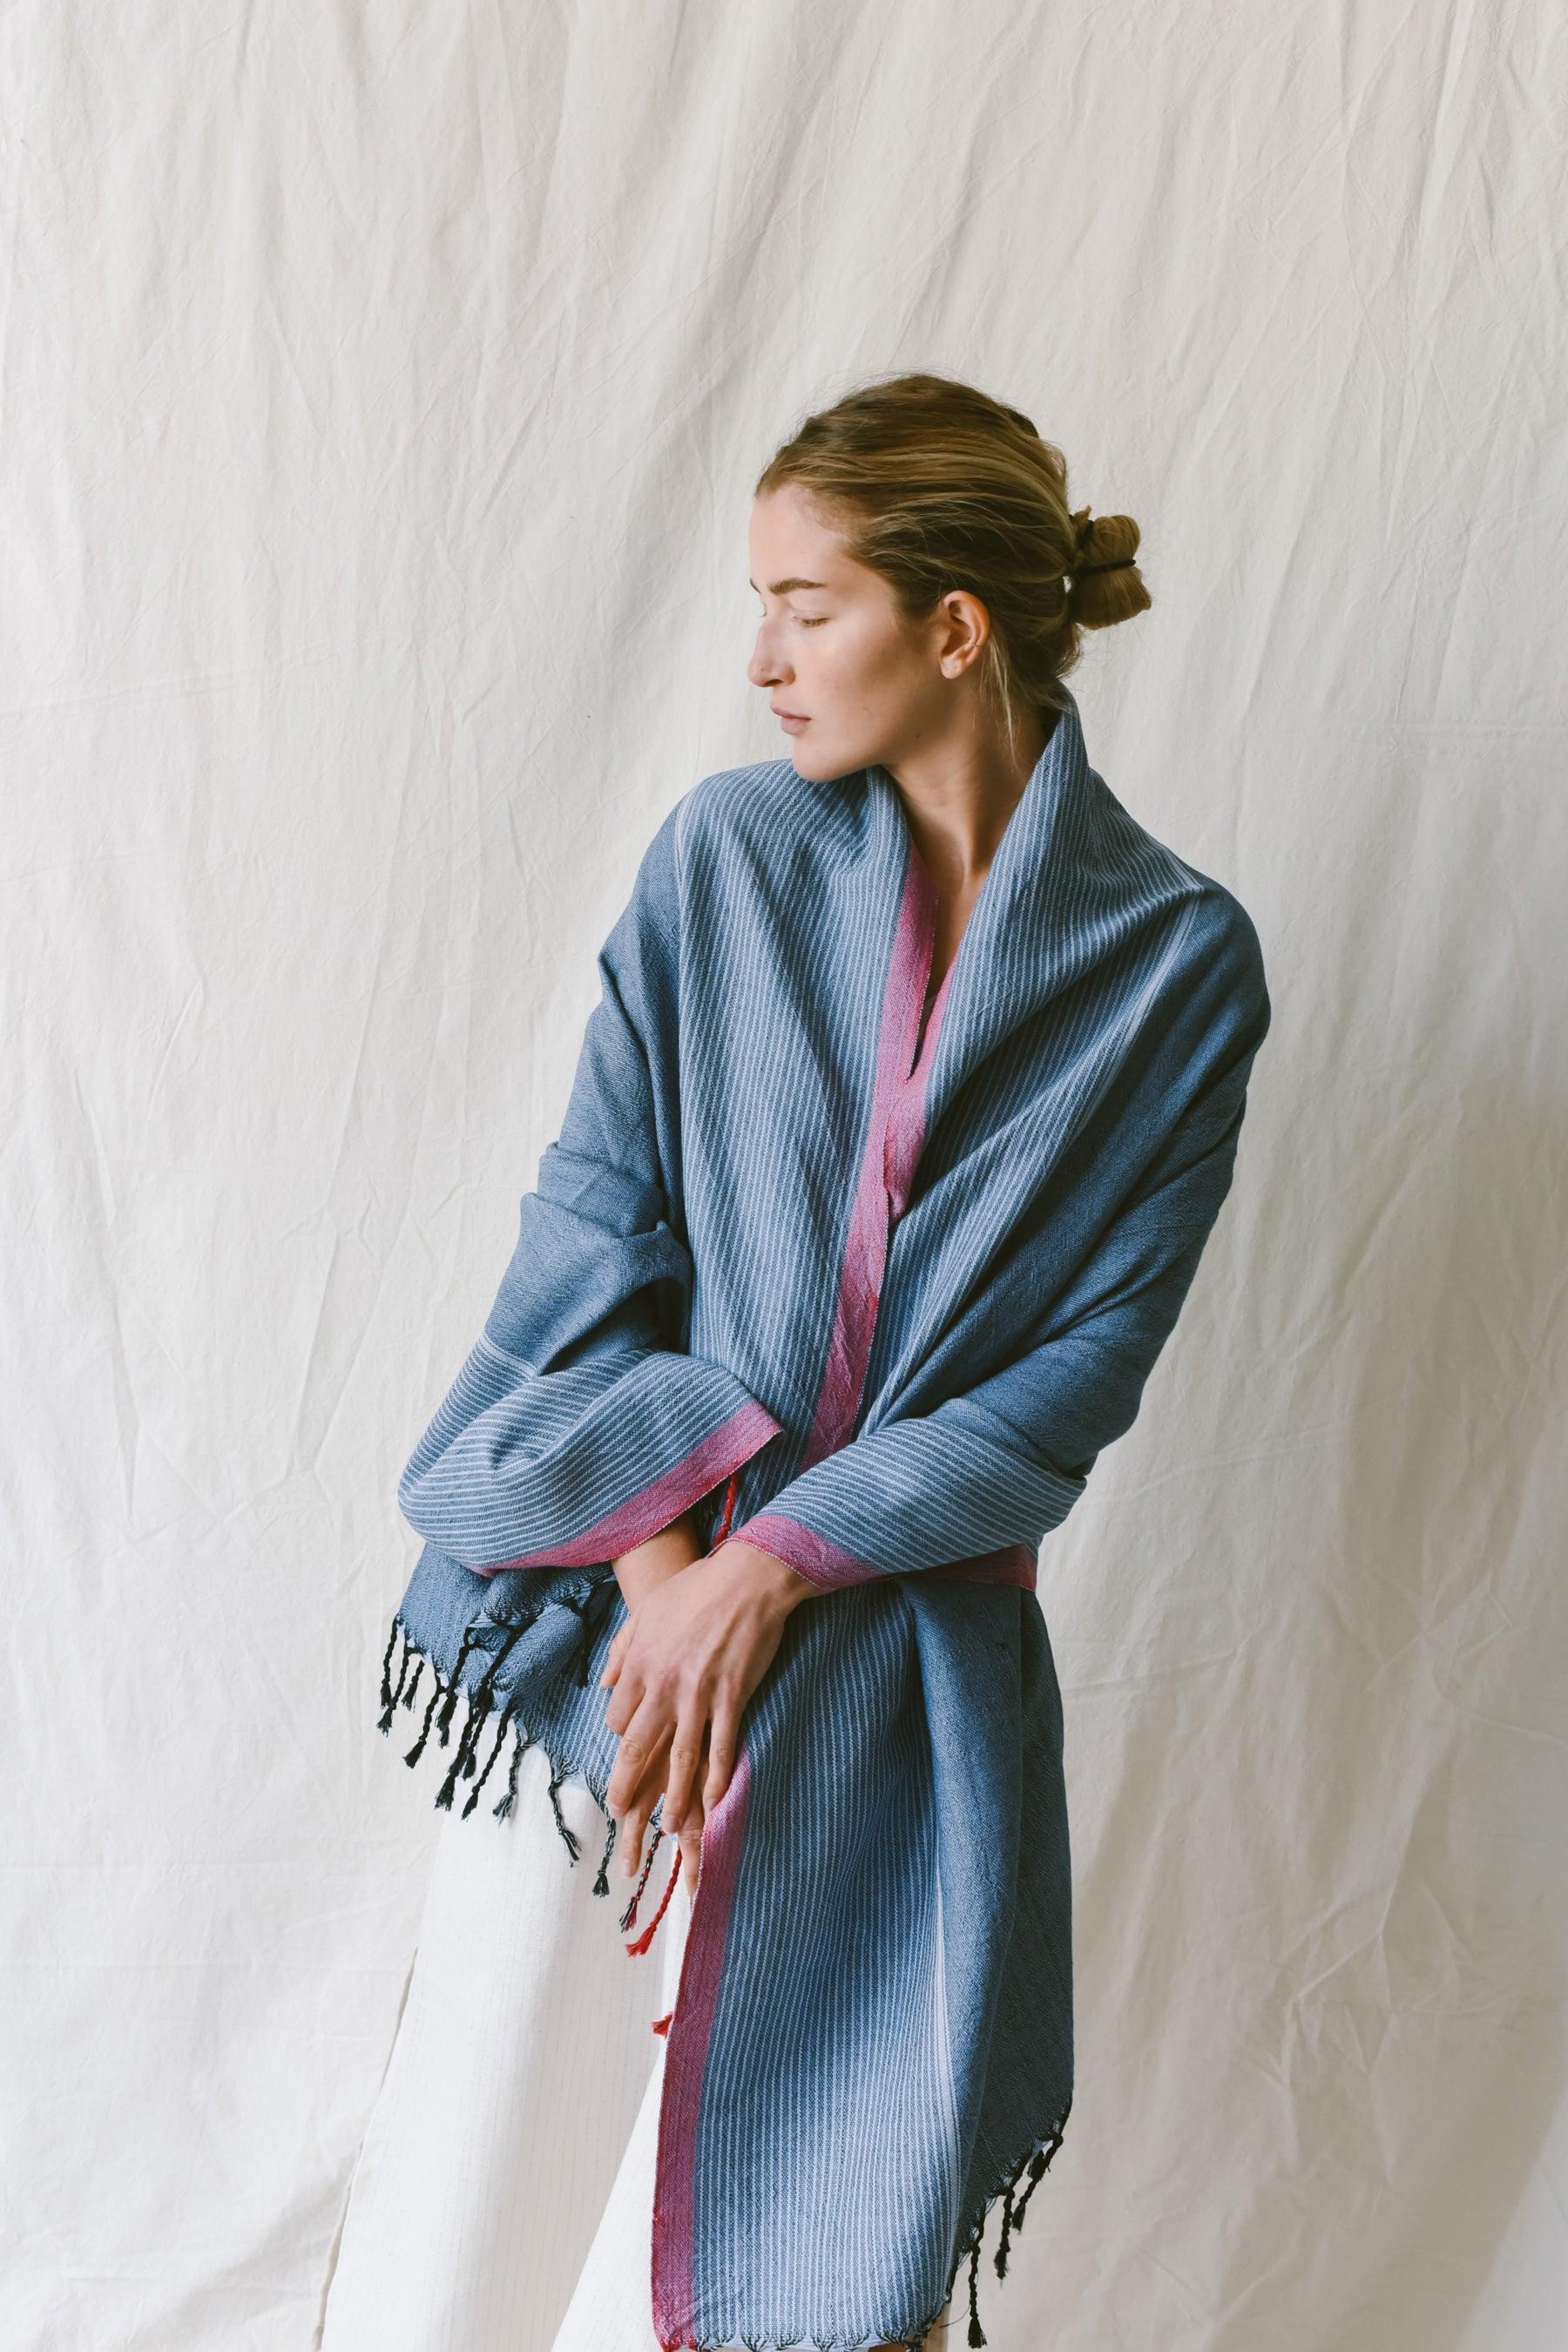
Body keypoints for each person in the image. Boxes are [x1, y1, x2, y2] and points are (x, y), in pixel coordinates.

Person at [316, 370, 1271, 2352]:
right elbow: (591, 1248)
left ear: (955, 627)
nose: (759, 658)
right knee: (475, 2210)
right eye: (756, 604)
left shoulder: (1175, 964)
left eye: (804, 606)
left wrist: (772, 1571)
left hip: (898, 1698)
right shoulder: (724, 863)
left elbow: (1078, 1377)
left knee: (829, 2261)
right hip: (604, 1652)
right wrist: (670, 1583)